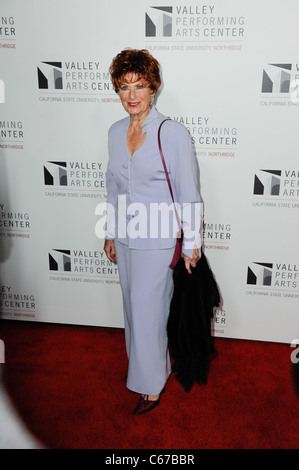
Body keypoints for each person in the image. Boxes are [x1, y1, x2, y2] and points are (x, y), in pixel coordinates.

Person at [104, 48, 203, 415]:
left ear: (153, 88)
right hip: (127, 238)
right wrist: (110, 232)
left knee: (148, 310)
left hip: (159, 237)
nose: (132, 95)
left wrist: (192, 243)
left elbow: (189, 192)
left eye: (140, 85)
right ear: (117, 89)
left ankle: (150, 387)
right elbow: (113, 186)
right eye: (124, 86)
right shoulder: (115, 131)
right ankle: (146, 367)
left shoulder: (171, 132)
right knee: (133, 309)